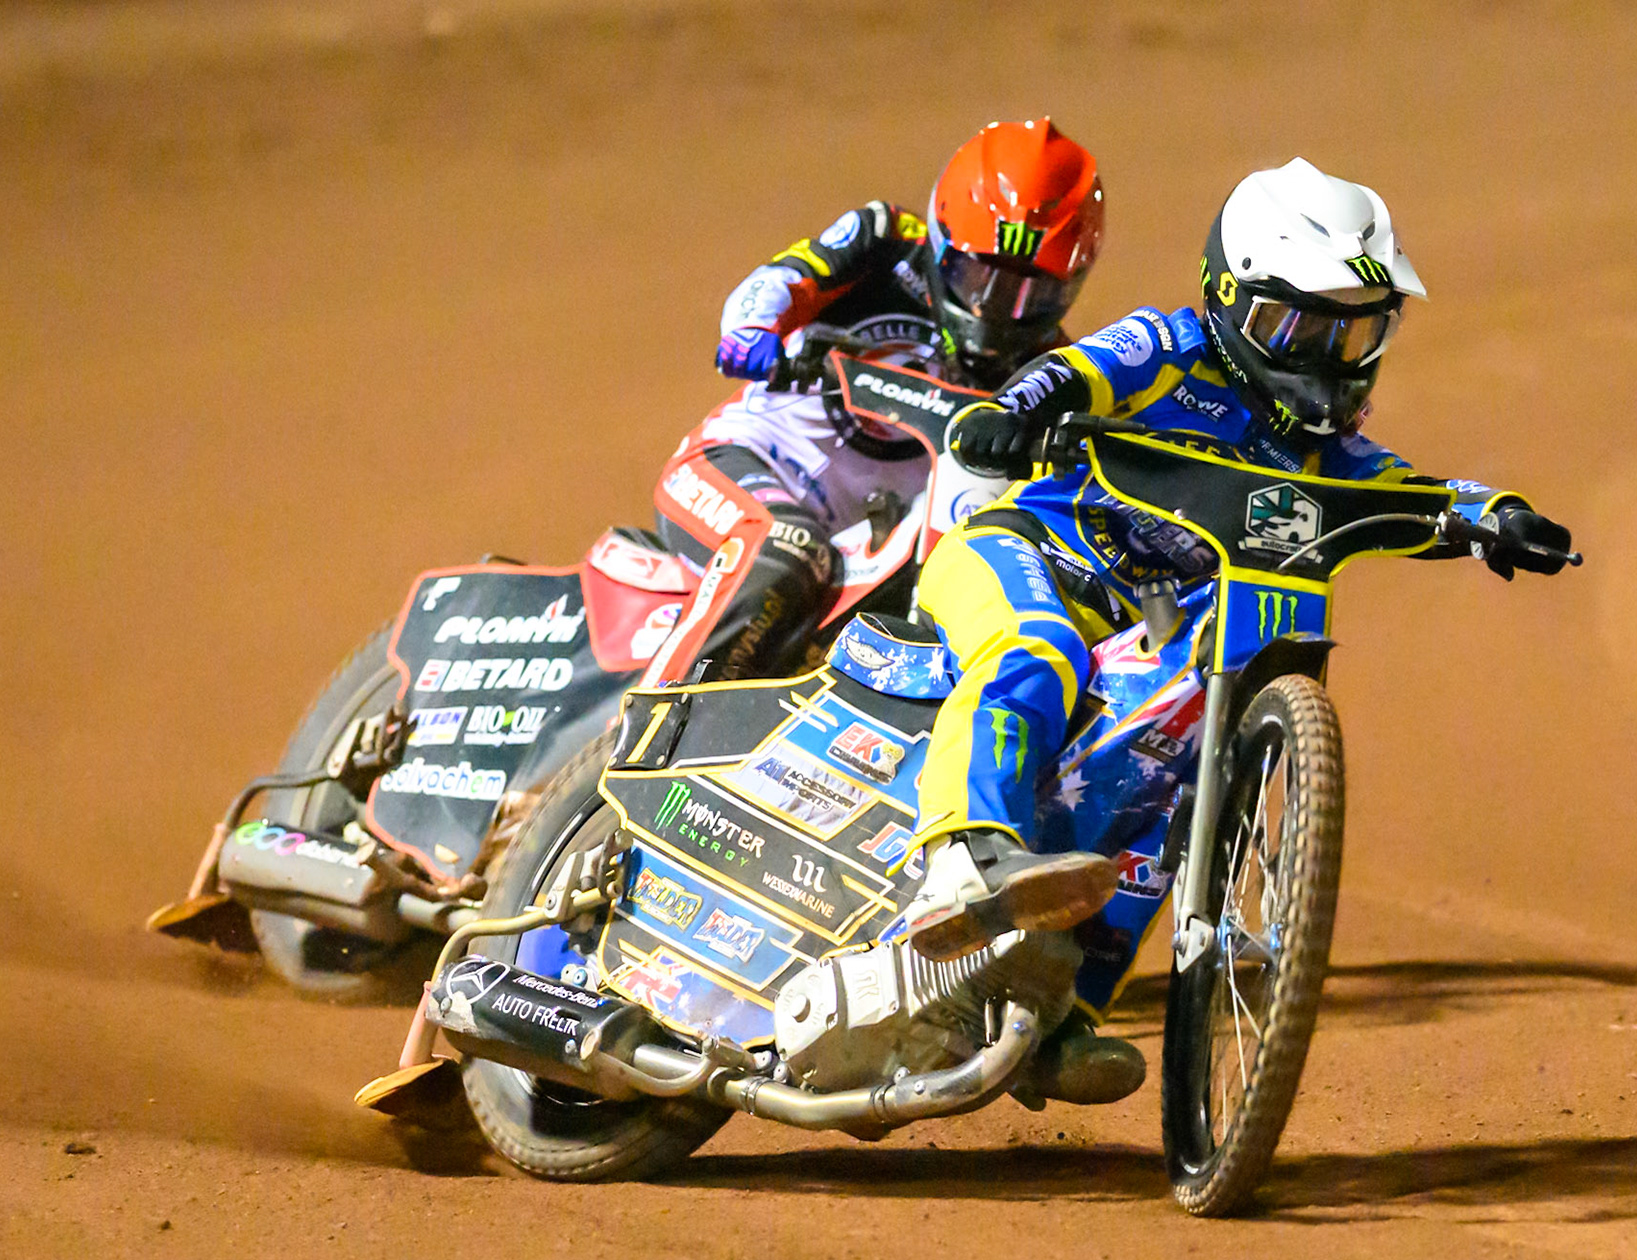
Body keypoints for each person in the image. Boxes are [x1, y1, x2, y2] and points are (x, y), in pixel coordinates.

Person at [898, 158, 1575, 1102]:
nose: (1324, 355)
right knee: (1033, 652)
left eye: (1354, 333)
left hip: (1134, 631)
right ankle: (961, 857)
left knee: (1175, 794)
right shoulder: (1168, 345)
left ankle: (1057, 1012)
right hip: (1021, 556)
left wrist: (1494, 513)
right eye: (1299, 325)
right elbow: (1072, 371)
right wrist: (1014, 415)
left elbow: (1411, 490)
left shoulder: (1322, 452)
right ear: (1231, 300)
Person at [639, 119, 1105, 686]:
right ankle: (649, 724)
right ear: (940, 237)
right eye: (981, 275)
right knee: (785, 549)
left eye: (1033, 291)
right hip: (741, 466)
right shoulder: (884, 241)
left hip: (873, 548)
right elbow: (780, 281)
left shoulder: (1050, 371)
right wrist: (753, 332)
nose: (996, 308)